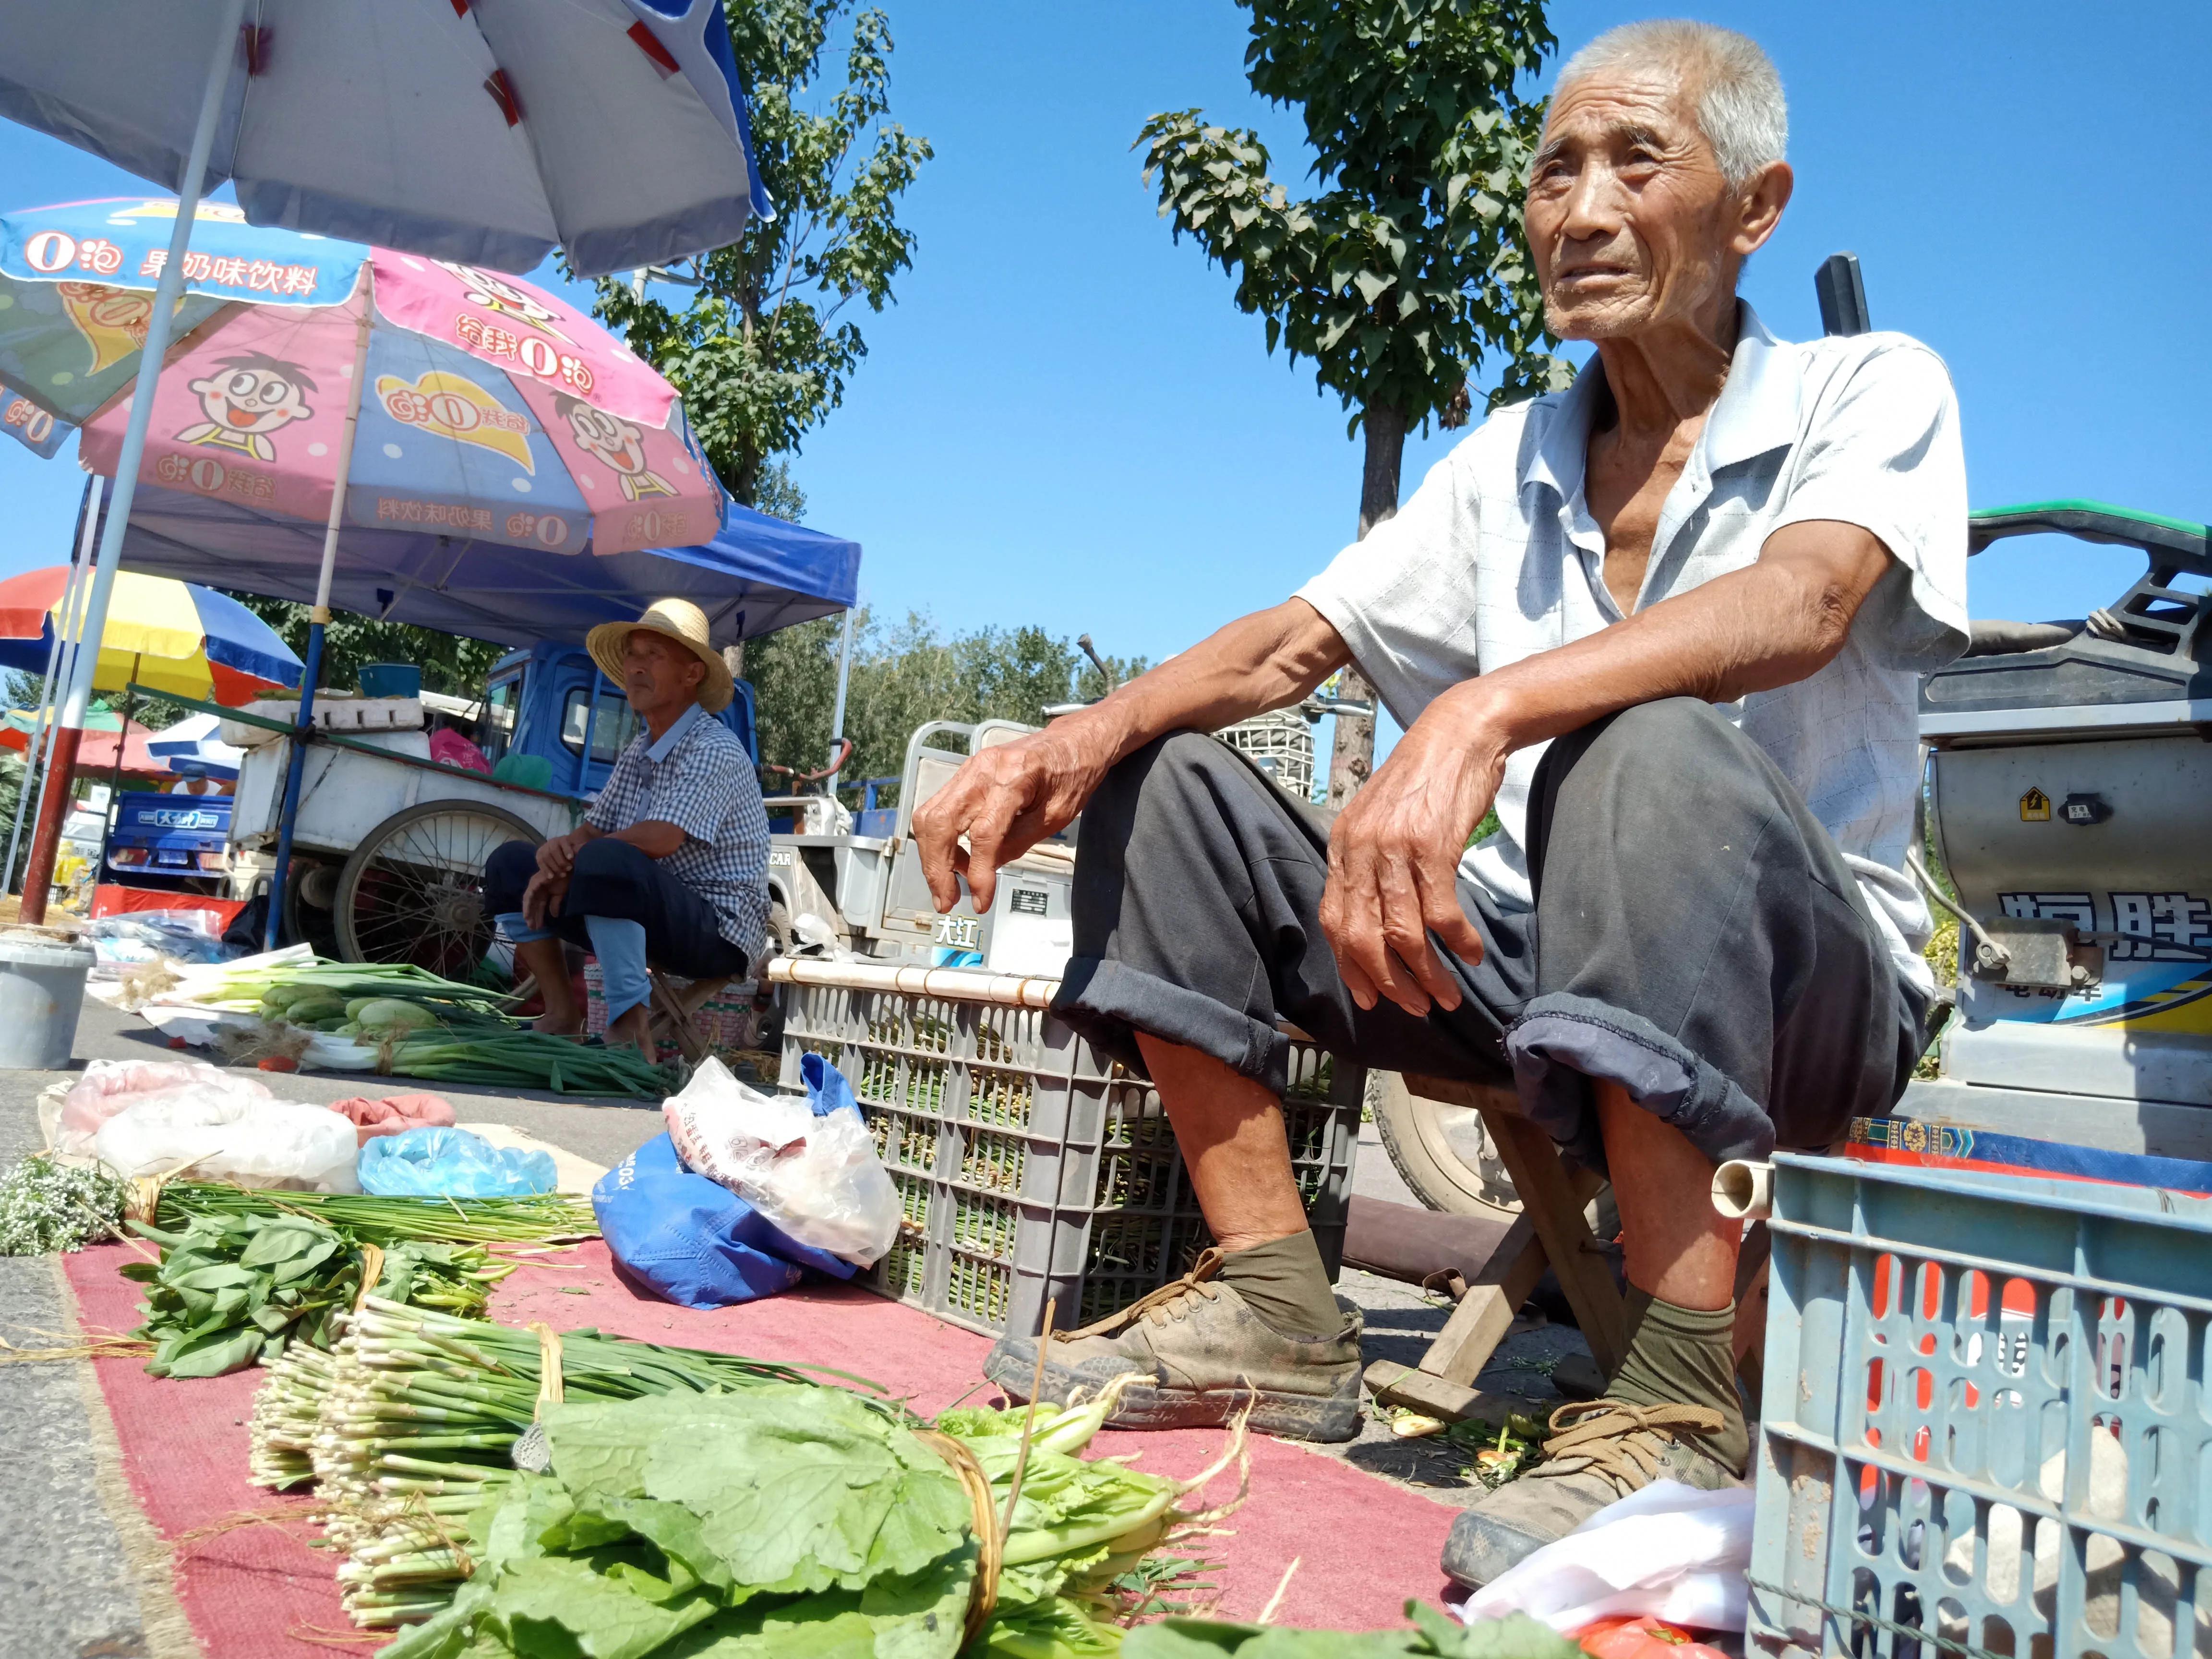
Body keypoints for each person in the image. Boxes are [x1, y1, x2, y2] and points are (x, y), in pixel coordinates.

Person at [911, 19, 1965, 1588]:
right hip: (1550, 972)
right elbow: (1287, 642)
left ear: (1752, 206)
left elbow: (1800, 603)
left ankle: (1677, 1392)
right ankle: (1275, 1297)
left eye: (1633, 161)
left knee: (1637, 734)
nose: (1579, 209)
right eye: (1552, 169)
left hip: (1804, 994)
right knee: (1169, 775)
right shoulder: (1510, 456)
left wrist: (1484, 702)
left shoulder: (1865, 385)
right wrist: (1078, 733)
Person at [483, 598, 769, 1056]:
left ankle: (629, 1028)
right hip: (647, 905)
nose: (636, 667)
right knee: (512, 865)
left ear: (692, 674)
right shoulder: (641, 749)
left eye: (653, 656)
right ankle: (561, 1013)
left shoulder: (715, 747)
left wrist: (577, 861)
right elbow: (595, 829)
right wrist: (559, 853)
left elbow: (661, 838)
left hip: (719, 928)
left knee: (607, 863)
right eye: (632, 655)